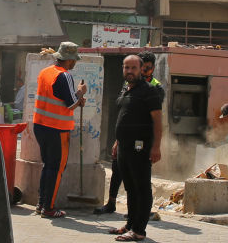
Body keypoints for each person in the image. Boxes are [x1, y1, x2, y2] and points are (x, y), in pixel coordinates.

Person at [96, 51, 165, 216]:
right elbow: (124, 114)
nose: (143, 72)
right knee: (118, 171)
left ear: (151, 68)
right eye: (128, 67)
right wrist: (117, 140)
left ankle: (141, 212)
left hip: (141, 141)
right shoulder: (128, 85)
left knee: (140, 177)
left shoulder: (154, 88)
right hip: (124, 141)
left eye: (146, 68)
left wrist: (155, 146)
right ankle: (112, 203)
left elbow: (155, 119)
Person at [33, 41, 87, 219]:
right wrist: (80, 92)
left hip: (40, 125)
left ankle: (41, 204)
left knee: (47, 165)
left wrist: (77, 99)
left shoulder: (45, 72)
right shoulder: (64, 76)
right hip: (57, 128)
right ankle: (49, 208)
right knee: (55, 168)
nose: (75, 63)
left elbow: (61, 99)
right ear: (70, 60)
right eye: (74, 60)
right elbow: (71, 104)